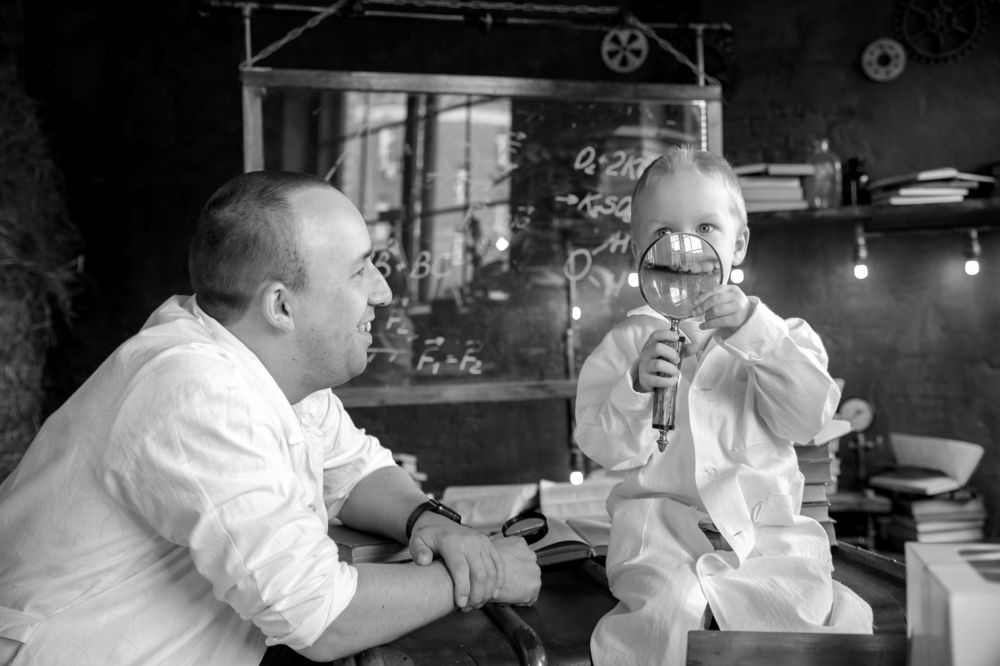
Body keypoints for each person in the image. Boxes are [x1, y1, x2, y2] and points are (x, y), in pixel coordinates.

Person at [0, 171, 540, 665]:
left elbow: (354, 471)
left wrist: (430, 522)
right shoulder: (199, 393)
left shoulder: (261, 359)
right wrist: (486, 575)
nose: (384, 290)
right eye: (359, 271)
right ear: (281, 306)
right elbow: (321, 618)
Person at [574, 146, 873, 665]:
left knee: (795, 618)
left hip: (767, 533)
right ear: (638, 250)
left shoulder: (785, 337)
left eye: (706, 228)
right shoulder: (627, 343)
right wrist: (635, 388)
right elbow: (601, 446)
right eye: (663, 232)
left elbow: (808, 418)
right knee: (662, 621)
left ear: (739, 245)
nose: (684, 248)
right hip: (661, 532)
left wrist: (757, 336)